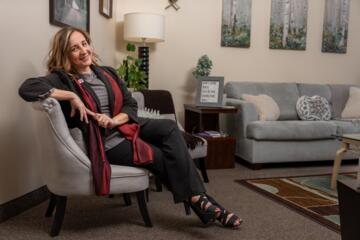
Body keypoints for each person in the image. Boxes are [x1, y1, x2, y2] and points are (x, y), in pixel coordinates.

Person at [18, 27, 242, 228]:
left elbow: (130, 103)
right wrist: (70, 96)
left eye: (84, 44)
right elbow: (27, 88)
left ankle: (200, 201)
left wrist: (116, 120)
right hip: (106, 141)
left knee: (169, 128)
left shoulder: (106, 72)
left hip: (123, 125)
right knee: (161, 156)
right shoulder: (62, 79)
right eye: (74, 48)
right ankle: (203, 203)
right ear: (66, 54)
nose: (83, 50)